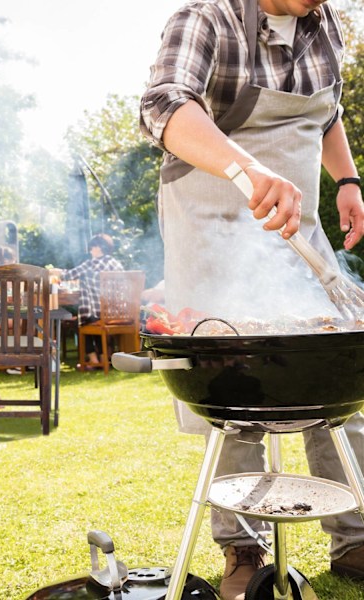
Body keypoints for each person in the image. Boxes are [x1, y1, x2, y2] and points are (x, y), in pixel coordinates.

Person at [140, 1, 364, 598]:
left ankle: (356, 539)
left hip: (297, 229)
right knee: (236, 393)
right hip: (213, 227)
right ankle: (241, 548)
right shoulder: (206, 18)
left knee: (336, 370)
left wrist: (346, 180)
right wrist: (248, 169)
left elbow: (328, 112)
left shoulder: (323, 24)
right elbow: (164, 105)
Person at [53, 234, 123, 369]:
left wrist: (55, 272)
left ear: (98, 248)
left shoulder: (91, 264)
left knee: (82, 322)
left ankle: (93, 360)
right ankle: (103, 357)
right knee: (91, 320)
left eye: (91, 248)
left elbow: (68, 275)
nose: (90, 251)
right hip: (116, 313)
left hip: (97, 313)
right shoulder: (116, 264)